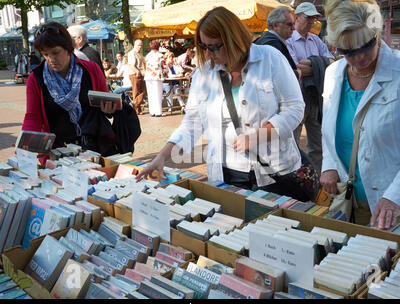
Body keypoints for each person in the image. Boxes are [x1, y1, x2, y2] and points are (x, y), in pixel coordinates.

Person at [136, 6, 305, 196]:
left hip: (274, 170)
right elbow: (192, 123)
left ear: (234, 40)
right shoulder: (203, 74)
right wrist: (161, 157)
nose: (208, 54)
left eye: (214, 47)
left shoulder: (270, 58)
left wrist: (257, 136)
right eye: (203, 46)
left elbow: (295, 108)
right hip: (226, 172)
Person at [320, 0, 400, 230]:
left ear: (378, 33)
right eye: (347, 51)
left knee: (390, 262)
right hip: (350, 197)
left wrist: (395, 196)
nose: (359, 58)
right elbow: (328, 127)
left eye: (366, 45)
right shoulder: (333, 73)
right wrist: (328, 164)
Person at [22, 21, 118, 161]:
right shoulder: (36, 78)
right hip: (57, 152)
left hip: (94, 148)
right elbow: (33, 117)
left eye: (55, 52)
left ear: (68, 48)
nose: (51, 59)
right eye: (45, 54)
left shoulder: (91, 69)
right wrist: (25, 144)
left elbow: (103, 102)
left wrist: (109, 108)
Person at [286, 2, 335, 173]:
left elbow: (332, 63)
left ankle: (317, 181)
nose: (311, 22)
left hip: (315, 97)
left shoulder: (316, 40)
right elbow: (295, 69)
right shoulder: (288, 41)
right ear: (297, 17)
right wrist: (320, 65)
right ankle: (295, 178)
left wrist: (312, 66)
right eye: (308, 17)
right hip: (296, 98)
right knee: (292, 143)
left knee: (318, 144)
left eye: (313, 18)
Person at [254, 6, 299, 79]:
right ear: (275, 25)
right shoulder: (273, 44)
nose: (293, 28)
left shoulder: (263, 40)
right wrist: (297, 73)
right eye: (289, 24)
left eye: (293, 24)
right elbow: (279, 77)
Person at [145, 40, 168, 117]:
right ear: (158, 46)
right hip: (157, 76)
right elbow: (164, 67)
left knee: (151, 95)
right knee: (158, 94)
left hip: (148, 76)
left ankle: (152, 111)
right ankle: (158, 112)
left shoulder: (147, 55)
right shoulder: (160, 55)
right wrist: (166, 74)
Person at [127, 39, 147, 115]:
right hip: (135, 74)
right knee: (136, 92)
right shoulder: (132, 53)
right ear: (135, 45)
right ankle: (135, 107)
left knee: (142, 92)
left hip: (141, 74)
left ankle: (136, 106)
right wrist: (137, 71)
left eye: (141, 45)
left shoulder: (139, 53)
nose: (140, 47)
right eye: (139, 45)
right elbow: (131, 65)